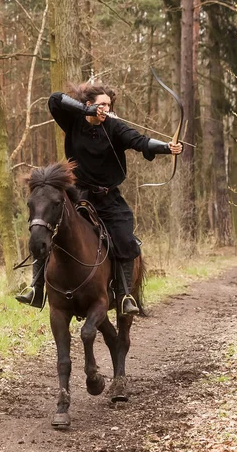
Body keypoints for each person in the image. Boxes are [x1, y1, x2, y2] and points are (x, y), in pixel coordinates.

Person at [16, 82, 182, 314]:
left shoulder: (115, 127)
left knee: (125, 238)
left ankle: (124, 296)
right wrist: (86, 112)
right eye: (101, 105)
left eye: (108, 105)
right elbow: (55, 98)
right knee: (48, 227)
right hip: (77, 196)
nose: (106, 108)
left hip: (108, 198)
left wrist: (167, 147)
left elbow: (139, 141)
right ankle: (36, 287)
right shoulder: (73, 122)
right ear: (88, 105)